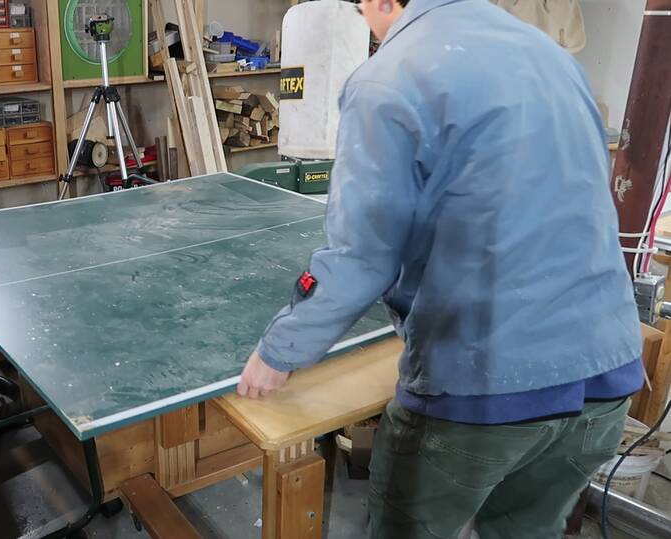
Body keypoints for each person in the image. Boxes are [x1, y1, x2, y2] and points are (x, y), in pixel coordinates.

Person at [237, 0, 645, 537]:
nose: (364, 17)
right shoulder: (551, 56)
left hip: (485, 382)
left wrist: (280, 349)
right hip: (606, 373)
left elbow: (362, 256)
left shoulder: (388, 76)